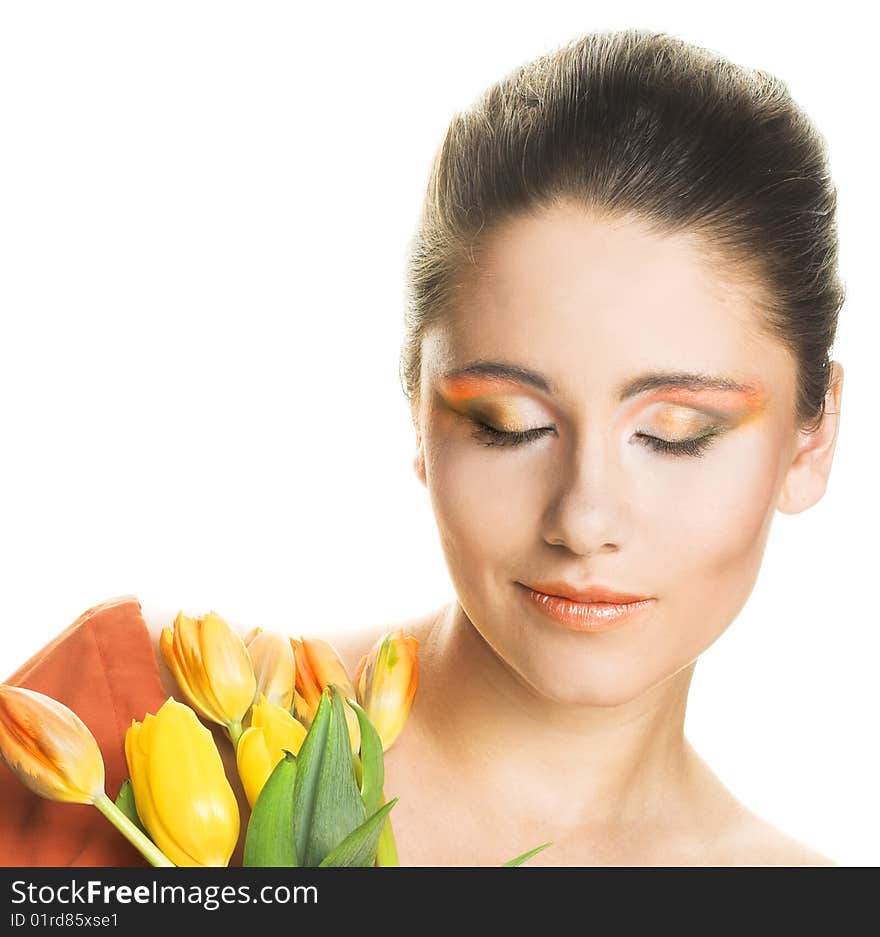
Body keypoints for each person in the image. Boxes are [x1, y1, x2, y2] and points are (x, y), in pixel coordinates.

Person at [1, 27, 844, 866]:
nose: (584, 520)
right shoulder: (113, 730)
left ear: (812, 438)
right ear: (420, 413)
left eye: (675, 436)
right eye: (508, 424)